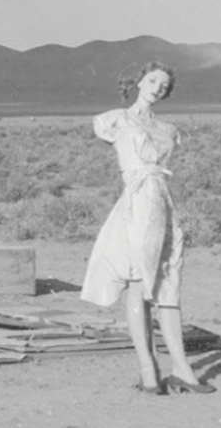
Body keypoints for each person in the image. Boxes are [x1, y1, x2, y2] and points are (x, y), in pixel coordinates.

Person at [81, 62, 212, 395]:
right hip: (137, 203)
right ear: (138, 81)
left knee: (169, 282)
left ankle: (182, 369)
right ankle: (148, 369)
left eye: (164, 85)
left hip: (164, 205)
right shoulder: (114, 120)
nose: (157, 88)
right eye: (153, 80)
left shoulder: (169, 129)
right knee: (140, 281)